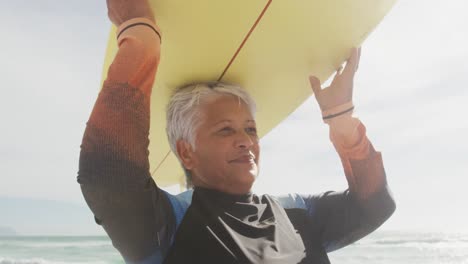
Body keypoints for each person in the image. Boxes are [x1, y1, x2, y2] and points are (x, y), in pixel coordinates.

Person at [77, 0, 396, 263]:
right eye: (225, 129)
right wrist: (140, 39)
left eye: (250, 128)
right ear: (186, 151)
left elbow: (374, 206)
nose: (245, 140)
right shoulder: (169, 224)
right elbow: (107, 173)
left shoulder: (295, 212)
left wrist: (341, 121)